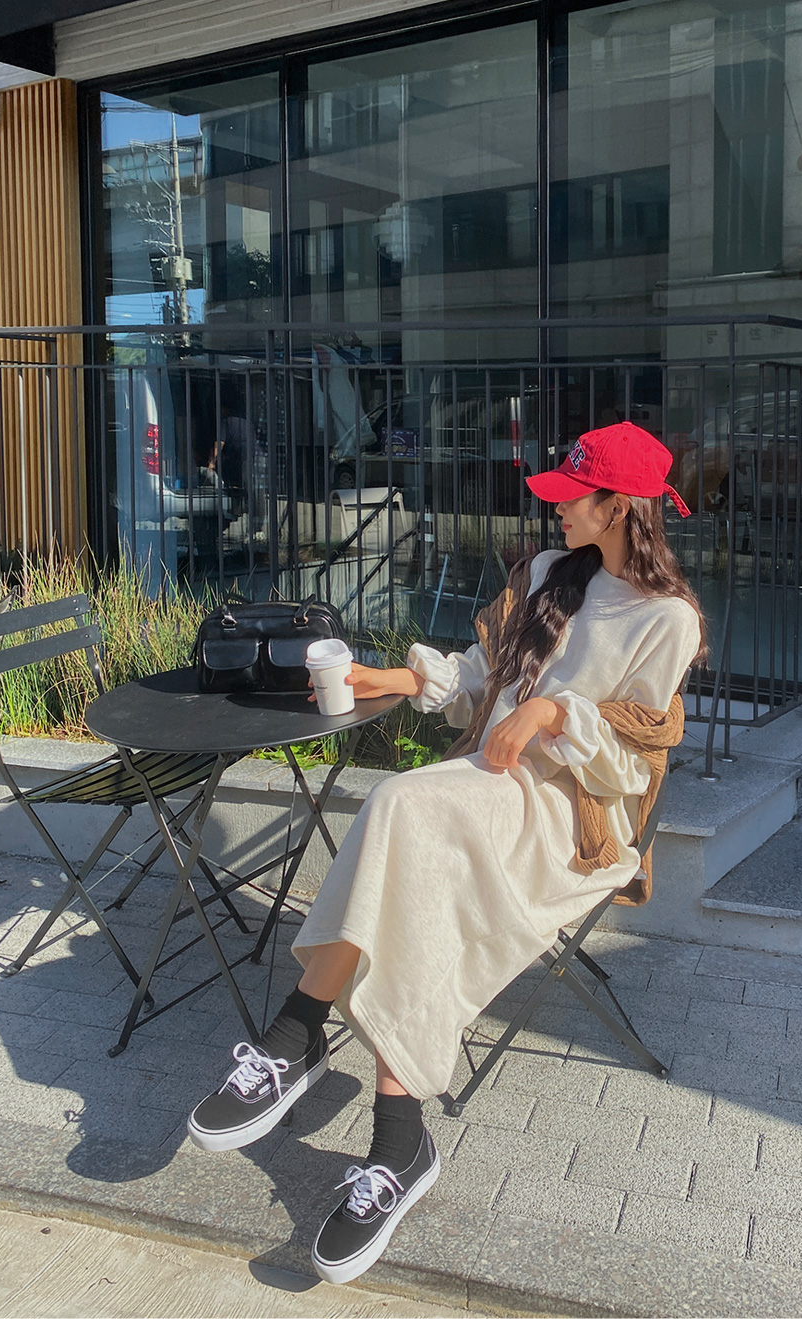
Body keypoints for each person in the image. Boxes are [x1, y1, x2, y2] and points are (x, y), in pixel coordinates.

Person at [187, 422, 706, 1285]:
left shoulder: (667, 620)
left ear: (620, 506)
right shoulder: (550, 573)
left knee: (401, 806)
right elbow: (480, 672)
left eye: (572, 496)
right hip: (483, 786)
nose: (555, 509)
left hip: (568, 816)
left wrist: (553, 713)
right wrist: (394, 679)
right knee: (413, 841)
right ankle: (396, 1139)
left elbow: (632, 765)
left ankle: (299, 1037)